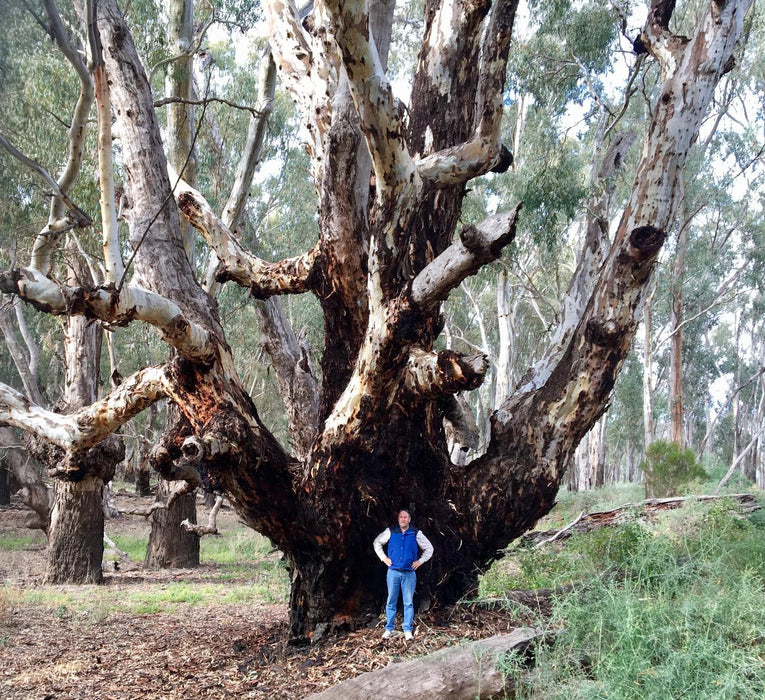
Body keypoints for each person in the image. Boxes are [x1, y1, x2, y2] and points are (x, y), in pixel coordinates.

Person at [373, 509, 434, 640]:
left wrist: (420, 561)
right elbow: (377, 543)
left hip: (409, 573)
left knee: (408, 603)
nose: (403, 519)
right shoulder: (391, 531)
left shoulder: (415, 533)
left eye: (405, 517)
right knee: (391, 601)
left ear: (409, 519)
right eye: (401, 517)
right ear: (398, 519)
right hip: (393, 572)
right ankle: (389, 629)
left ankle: (407, 630)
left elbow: (429, 548)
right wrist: (384, 558)